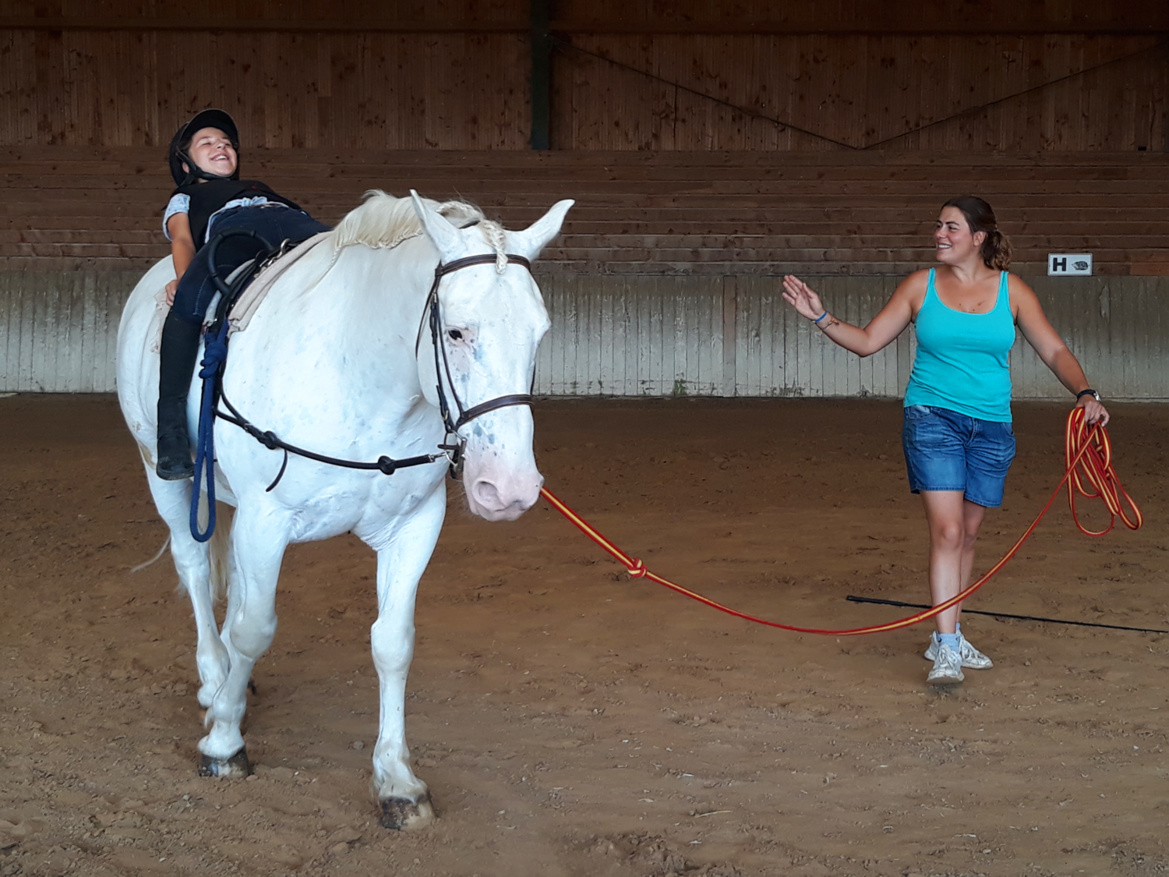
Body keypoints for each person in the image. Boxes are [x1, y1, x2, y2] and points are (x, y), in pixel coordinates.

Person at [781, 195, 1109, 686]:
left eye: (951, 228)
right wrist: (821, 317)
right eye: (939, 226)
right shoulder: (920, 286)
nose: (939, 234)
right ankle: (949, 647)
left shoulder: (1012, 291)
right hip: (932, 417)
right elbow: (869, 342)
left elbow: (1054, 348)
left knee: (970, 535)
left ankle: (946, 632)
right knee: (949, 532)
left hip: (992, 426)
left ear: (978, 238)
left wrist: (1085, 394)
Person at [155, 108, 331, 480]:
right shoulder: (185, 197)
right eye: (207, 143)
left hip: (297, 226)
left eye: (226, 144)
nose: (221, 147)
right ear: (186, 164)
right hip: (233, 234)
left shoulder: (258, 188)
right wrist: (186, 279)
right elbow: (183, 238)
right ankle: (169, 429)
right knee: (185, 308)